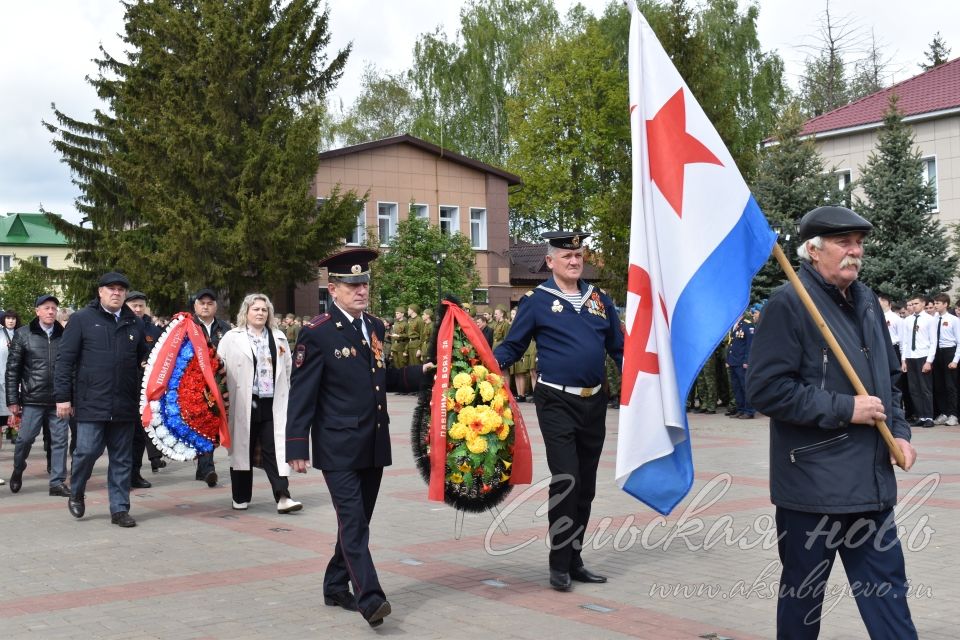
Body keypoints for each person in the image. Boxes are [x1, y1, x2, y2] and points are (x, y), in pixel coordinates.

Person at [746, 206, 918, 639]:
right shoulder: (790, 303)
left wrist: (899, 432)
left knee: (888, 595)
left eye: (859, 244)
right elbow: (766, 390)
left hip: (871, 485)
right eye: (844, 243)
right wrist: (846, 409)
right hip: (812, 487)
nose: (855, 252)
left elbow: (889, 380)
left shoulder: (866, 301)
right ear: (813, 249)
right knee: (803, 599)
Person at [286, 248, 428, 628]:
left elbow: (385, 378)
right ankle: (371, 598)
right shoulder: (316, 333)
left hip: (373, 442)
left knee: (358, 520)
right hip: (338, 445)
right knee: (354, 524)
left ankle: (335, 585)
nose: (361, 290)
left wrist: (422, 374)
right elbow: (302, 392)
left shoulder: (376, 327)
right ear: (333, 290)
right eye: (352, 285)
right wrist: (297, 444)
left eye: (364, 283)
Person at [493, 231, 624, 592]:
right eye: (566, 256)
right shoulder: (536, 301)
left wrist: (644, 382)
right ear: (550, 261)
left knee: (586, 487)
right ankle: (559, 564)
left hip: (594, 402)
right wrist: (485, 365)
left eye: (578, 255)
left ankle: (575, 558)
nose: (574, 261)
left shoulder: (600, 300)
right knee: (566, 480)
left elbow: (619, 348)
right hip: (556, 401)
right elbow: (514, 345)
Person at [56, 272, 149, 528]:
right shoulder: (82, 319)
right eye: (111, 289)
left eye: (121, 289)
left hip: (124, 404)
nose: (116, 293)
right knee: (86, 452)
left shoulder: (135, 323)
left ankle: (119, 509)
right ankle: (76, 490)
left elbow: (145, 360)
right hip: (90, 402)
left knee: (122, 458)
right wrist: (63, 397)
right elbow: (65, 361)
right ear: (100, 292)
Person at [217, 294, 300, 513]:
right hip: (244, 403)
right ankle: (241, 496)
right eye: (256, 309)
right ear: (246, 312)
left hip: (272, 403)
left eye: (264, 310)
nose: (260, 313)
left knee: (275, 450)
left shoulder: (278, 337)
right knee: (243, 449)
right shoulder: (232, 337)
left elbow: (289, 369)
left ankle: (283, 496)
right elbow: (218, 367)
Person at [6, 295, 70, 496]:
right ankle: (18, 470)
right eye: (46, 308)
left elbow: (71, 368)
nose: (51, 312)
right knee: (24, 440)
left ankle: (57, 483)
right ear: (37, 311)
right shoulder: (24, 334)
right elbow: (12, 369)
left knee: (60, 441)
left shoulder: (65, 334)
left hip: (58, 400)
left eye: (54, 308)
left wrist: (71, 398)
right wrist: (12, 400)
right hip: (32, 398)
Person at [192, 288, 232, 486]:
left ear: (215, 306)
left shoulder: (225, 329)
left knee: (212, 425)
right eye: (202, 303)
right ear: (195, 306)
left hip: (219, 385)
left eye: (209, 303)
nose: (206, 306)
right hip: (194, 386)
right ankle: (207, 468)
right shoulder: (187, 327)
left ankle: (204, 468)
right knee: (202, 424)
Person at [125, 291, 165, 486]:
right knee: (126, 434)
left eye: (141, 305)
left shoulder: (154, 330)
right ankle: (122, 473)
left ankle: (135, 473)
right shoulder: (122, 326)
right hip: (126, 386)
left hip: (150, 389)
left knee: (142, 434)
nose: (138, 309)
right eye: (134, 306)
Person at [901, 295, 936, 428]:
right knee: (914, 389)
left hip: (923, 355)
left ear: (923, 304)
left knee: (925, 388)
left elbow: (933, 342)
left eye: (916, 303)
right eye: (912, 303)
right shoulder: (908, 320)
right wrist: (903, 360)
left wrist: (929, 361)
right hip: (910, 356)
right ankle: (920, 416)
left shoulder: (929, 319)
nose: (913, 306)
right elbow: (905, 341)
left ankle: (928, 417)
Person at [930, 293, 959, 425]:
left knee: (951, 385)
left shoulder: (954, 320)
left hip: (949, 352)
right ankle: (944, 412)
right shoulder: (935, 319)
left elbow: (959, 342)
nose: (935, 305)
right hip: (937, 352)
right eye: (934, 303)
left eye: (937, 303)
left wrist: (955, 360)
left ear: (945, 304)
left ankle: (954, 414)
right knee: (939, 385)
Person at [726, 311, 755, 419]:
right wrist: (728, 360)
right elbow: (731, 344)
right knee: (736, 387)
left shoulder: (748, 325)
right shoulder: (734, 325)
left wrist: (747, 361)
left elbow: (750, 345)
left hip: (742, 362)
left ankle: (749, 411)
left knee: (745, 387)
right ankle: (741, 409)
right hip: (733, 361)